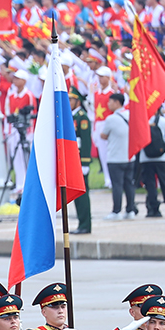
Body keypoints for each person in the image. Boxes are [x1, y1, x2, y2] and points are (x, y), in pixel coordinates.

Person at [99, 91, 137, 219]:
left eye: (110, 102)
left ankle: (116, 211)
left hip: (115, 157)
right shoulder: (130, 115)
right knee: (129, 184)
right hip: (130, 156)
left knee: (117, 185)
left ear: (116, 103)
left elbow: (103, 135)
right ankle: (130, 210)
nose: (108, 104)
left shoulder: (111, 119)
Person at [138, 105, 165, 218]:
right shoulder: (163, 121)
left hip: (146, 157)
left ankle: (153, 209)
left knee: (150, 184)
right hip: (161, 157)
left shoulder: (142, 121)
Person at [70, 88, 92, 234]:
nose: (69, 102)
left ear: (78, 101)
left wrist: (85, 162)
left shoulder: (82, 117)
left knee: (82, 195)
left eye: (71, 99)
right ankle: (81, 223)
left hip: (80, 160)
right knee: (76, 195)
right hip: (73, 160)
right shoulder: (71, 116)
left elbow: (85, 141)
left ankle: (85, 224)